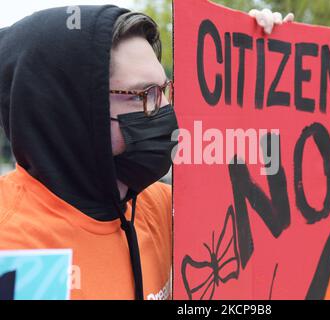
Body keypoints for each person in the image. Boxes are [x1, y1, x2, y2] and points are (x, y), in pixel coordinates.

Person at [0, 5, 293, 300]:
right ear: (71, 110)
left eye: (165, 90)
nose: (167, 110)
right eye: (146, 95)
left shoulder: (164, 208)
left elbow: (278, 219)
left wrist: (261, 59)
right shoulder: (12, 244)